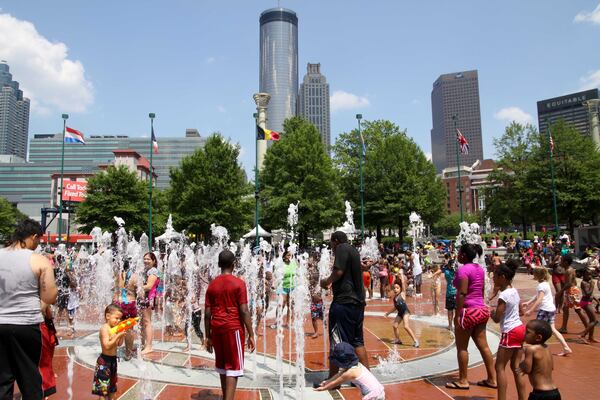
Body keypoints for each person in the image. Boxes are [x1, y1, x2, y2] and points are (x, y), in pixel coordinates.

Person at [0, 218, 58, 400]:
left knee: (2, 378)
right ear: (33, 236)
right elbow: (50, 296)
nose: (38, 244)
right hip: (27, 325)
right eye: (38, 240)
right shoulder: (38, 260)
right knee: (32, 377)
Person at [204, 250, 255, 400]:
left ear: (219, 265)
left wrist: (208, 336)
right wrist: (251, 334)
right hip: (233, 329)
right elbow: (244, 311)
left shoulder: (212, 285)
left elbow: (207, 314)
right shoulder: (239, 284)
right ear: (234, 264)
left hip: (216, 328)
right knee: (233, 368)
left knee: (222, 367)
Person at [446, 243, 496, 391]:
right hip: (481, 310)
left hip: (468, 311)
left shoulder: (463, 270)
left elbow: (462, 293)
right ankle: (492, 379)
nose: (458, 255)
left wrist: (458, 314)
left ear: (463, 255)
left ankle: (463, 380)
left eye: (459, 253)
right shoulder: (479, 269)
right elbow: (481, 290)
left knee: (462, 347)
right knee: (484, 346)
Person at [320, 231, 368, 381]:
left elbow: (338, 271)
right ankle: (365, 377)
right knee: (357, 341)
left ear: (335, 241)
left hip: (344, 303)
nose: (332, 248)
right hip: (358, 303)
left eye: (331, 244)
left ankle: (333, 379)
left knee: (336, 339)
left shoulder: (341, 248)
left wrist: (326, 282)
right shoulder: (353, 250)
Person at [490, 260, 526, 400]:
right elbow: (521, 311)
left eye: (495, 276)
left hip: (510, 331)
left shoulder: (503, 296)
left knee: (499, 367)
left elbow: (497, 318)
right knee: (516, 367)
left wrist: (492, 313)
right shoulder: (514, 291)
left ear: (503, 277)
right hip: (520, 328)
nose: (493, 279)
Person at [523, 268, 571, 356]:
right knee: (553, 329)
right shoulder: (545, 284)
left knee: (535, 328)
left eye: (534, 273)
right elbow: (538, 295)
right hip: (551, 309)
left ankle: (536, 348)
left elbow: (540, 298)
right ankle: (566, 347)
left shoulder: (541, 285)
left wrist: (531, 310)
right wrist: (528, 302)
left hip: (545, 309)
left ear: (537, 275)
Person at [314, 342, 385, 400]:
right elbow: (339, 374)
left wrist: (323, 388)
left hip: (373, 395)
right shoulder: (356, 365)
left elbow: (335, 383)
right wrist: (327, 382)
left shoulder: (350, 373)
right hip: (378, 391)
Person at [519, 320, 562, 400]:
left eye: (527, 332)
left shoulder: (531, 349)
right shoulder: (547, 348)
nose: (524, 334)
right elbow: (551, 367)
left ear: (538, 337)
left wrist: (519, 365)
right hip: (555, 392)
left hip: (540, 393)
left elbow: (527, 369)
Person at [92, 304, 126, 399]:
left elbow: (119, 344)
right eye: (116, 318)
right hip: (104, 362)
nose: (119, 321)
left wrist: (122, 335)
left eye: (120, 319)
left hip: (113, 361)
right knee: (103, 389)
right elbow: (106, 346)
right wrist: (117, 336)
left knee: (112, 387)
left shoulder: (114, 329)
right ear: (108, 316)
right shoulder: (104, 329)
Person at [557, 254, 588, 334]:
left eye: (562, 260)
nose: (560, 262)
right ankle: (564, 328)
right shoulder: (567, 269)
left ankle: (588, 327)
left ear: (566, 262)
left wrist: (561, 291)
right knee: (565, 308)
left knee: (578, 309)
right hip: (569, 291)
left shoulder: (569, 270)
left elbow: (569, 283)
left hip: (572, 291)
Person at [114, 259, 138, 359]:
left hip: (118, 302)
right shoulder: (135, 276)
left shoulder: (119, 275)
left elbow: (115, 289)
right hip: (130, 303)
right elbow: (139, 292)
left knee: (118, 327)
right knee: (129, 329)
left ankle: (114, 350)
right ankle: (128, 353)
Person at [384, 281, 419, 347]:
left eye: (397, 288)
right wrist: (388, 313)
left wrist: (401, 275)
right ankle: (398, 339)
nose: (395, 289)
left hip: (406, 312)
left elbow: (403, 284)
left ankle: (415, 340)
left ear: (400, 289)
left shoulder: (402, 294)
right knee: (395, 326)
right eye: (394, 288)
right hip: (400, 313)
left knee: (406, 326)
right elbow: (395, 308)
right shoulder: (394, 298)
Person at [140, 252, 159, 355]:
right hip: (144, 299)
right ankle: (143, 344)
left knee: (147, 322)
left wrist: (135, 286)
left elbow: (149, 286)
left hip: (148, 299)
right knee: (142, 322)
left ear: (154, 261)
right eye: (145, 259)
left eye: (148, 259)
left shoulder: (153, 271)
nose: (146, 261)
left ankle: (149, 346)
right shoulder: (147, 271)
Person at [578, 268, 597, 344]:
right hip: (585, 303)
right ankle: (583, 334)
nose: (589, 276)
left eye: (590, 274)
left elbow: (591, 295)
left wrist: (596, 300)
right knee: (595, 320)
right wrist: (592, 286)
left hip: (589, 302)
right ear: (583, 275)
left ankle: (591, 337)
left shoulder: (589, 282)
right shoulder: (583, 282)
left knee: (592, 320)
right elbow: (588, 294)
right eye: (587, 274)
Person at [442, 254, 457, 330]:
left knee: (450, 310)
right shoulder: (457, 273)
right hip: (457, 294)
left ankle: (450, 325)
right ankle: (457, 325)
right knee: (457, 311)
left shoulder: (447, 272)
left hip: (449, 293)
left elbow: (445, 269)